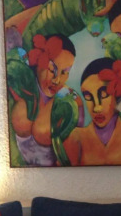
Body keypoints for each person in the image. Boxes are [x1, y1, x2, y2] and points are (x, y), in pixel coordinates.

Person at [9, 33, 82, 166]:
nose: (57, 80)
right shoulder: (21, 86)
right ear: (39, 62)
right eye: (51, 69)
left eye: (65, 72)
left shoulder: (70, 102)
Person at [63, 58, 121, 165]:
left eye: (103, 95)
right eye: (88, 97)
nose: (96, 108)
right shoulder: (76, 137)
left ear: (117, 92)